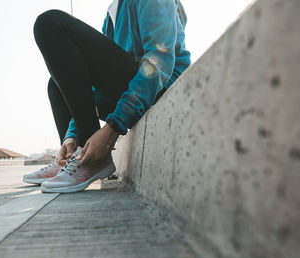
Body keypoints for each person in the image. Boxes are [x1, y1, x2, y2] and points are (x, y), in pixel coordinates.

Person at [23, 0, 191, 193]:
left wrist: (112, 128)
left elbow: (159, 63)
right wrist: (72, 135)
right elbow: (92, 84)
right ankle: (75, 156)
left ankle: (95, 162)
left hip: (157, 85)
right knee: (56, 83)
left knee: (50, 22)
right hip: (130, 86)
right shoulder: (113, 13)